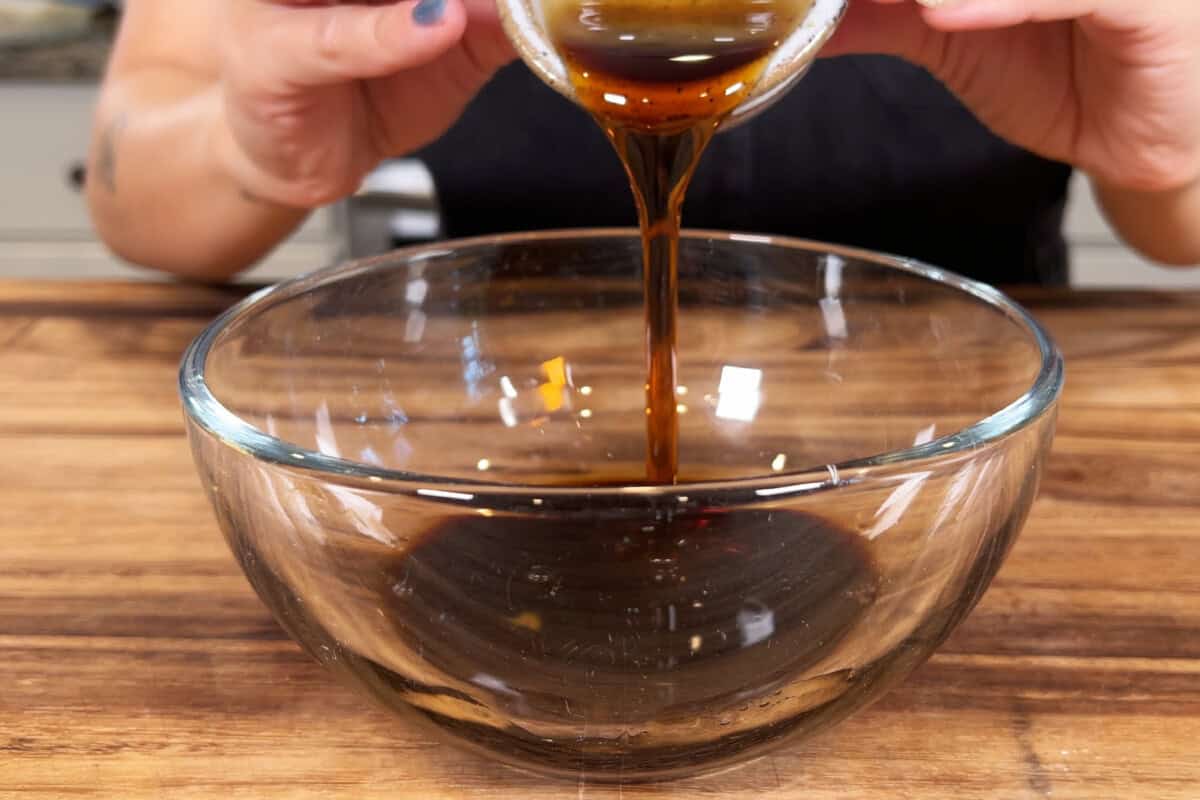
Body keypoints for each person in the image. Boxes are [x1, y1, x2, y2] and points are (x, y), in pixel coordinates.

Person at [87, 0, 1200, 283]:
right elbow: (130, 192)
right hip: (484, 426)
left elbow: (1175, 230)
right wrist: (253, 153)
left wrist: (1169, 146)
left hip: (961, 441)